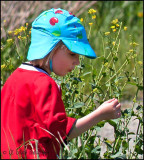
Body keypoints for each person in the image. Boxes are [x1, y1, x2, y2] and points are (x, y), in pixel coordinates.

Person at [1, 8, 121, 159]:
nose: (77, 62)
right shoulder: (45, 84)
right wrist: (100, 114)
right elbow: (61, 133)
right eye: (72, 54)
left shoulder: (14, 78)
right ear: (51, 48)